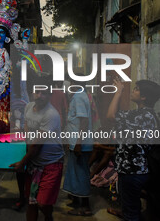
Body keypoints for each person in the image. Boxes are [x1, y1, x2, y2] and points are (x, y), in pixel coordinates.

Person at [10, 76, 64, 221]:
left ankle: (48, 216)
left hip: (51, 164)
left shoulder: (51, 114)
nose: (40, 96)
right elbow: (28, 132)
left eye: (44, 93)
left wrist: (22, 163)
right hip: (34, 163)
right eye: (37, 92)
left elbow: (36, 146)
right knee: (31, 202)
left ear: (50, 94)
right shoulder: (28, 106)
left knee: (42, 203)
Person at [107, 79, 160, 221]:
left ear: (144, 97)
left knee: (130, 212)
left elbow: (111, 115)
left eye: (136, 89)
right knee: (132, 208)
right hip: (137, 169)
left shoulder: (142, 116)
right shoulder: (145, 115)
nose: (133, 91)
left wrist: (118, 93)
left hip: (132, 171)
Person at [62, 78, 93, 216]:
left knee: (81, 173)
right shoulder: (79, 96)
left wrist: (79, 143)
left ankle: (85, 207)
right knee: (74, 172)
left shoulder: (79, 97)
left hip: (80, 143)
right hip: (76, 142)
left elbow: (84, 121)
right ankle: (76, 200)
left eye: (70, 83)